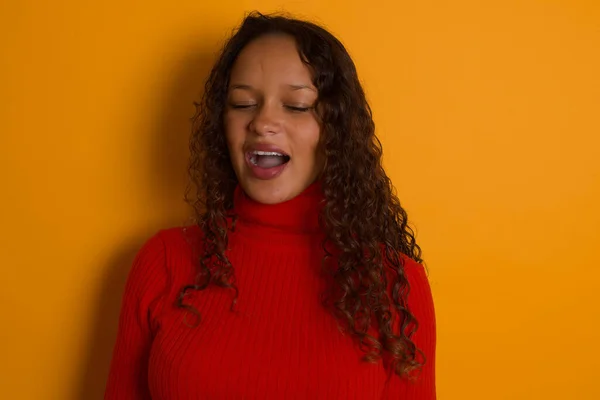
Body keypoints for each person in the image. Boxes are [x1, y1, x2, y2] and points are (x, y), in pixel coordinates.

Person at [105, 11, 436, 400]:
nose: (263, 122)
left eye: (295, 106)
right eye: (243, 103)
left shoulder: (394, 284)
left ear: (336, 130)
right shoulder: (162, 263)